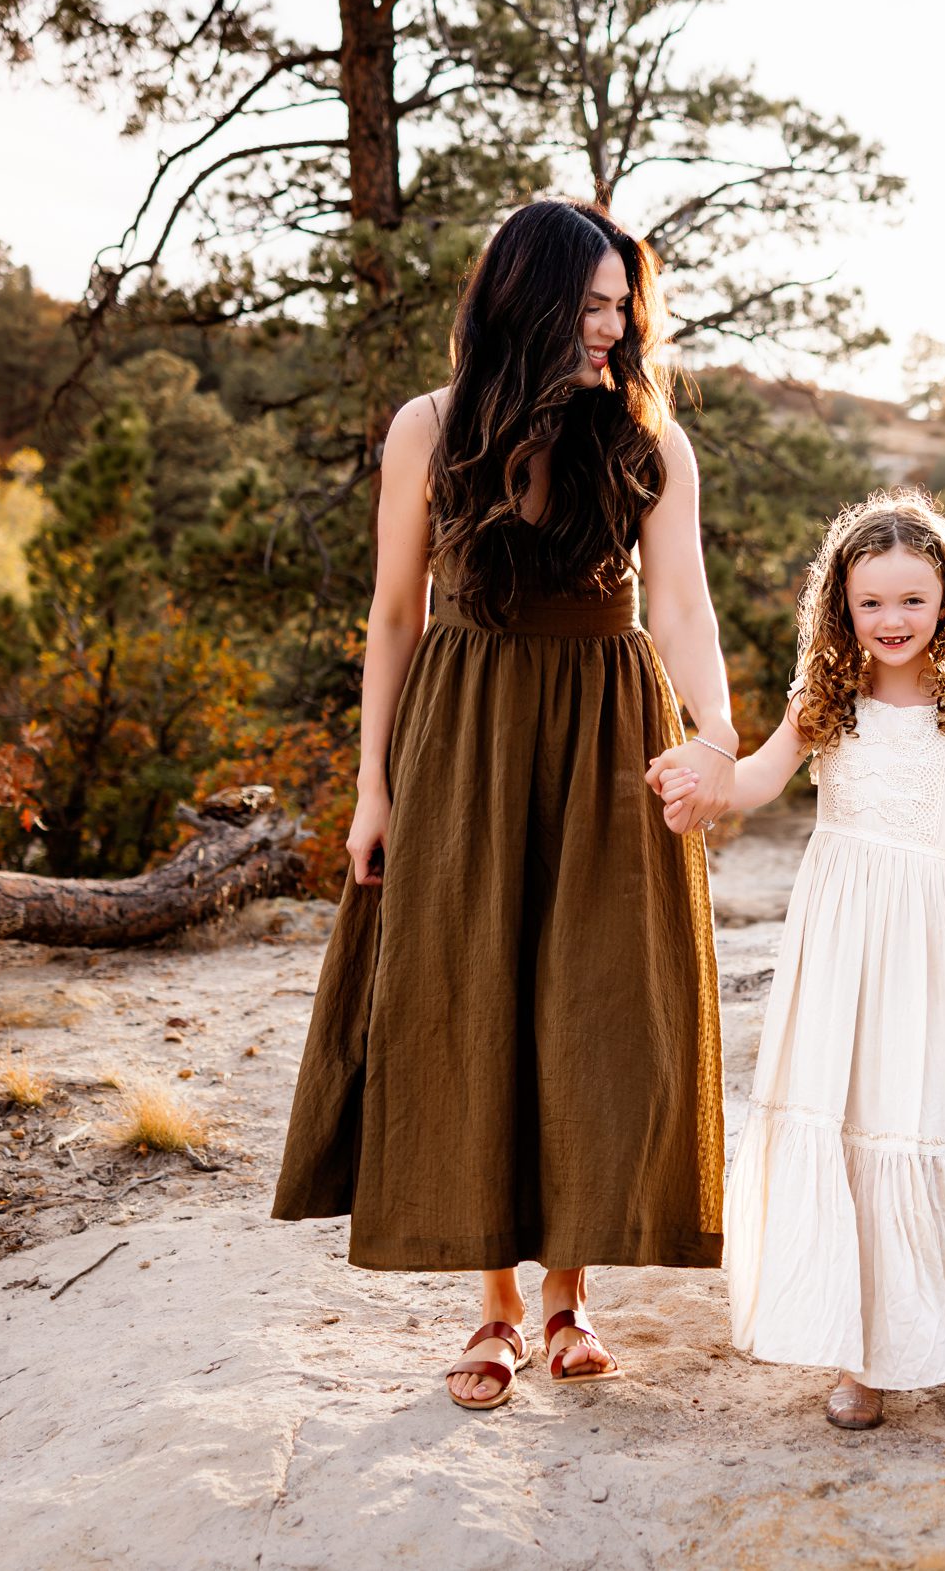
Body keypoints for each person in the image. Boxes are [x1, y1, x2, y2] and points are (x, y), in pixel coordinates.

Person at [271, 198, 739, 1411]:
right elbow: (392, 617)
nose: (610, 328)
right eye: (589, 306)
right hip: (465, 729)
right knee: (472, 993)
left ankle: (573, 1298)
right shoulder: (428, 430)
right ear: (527, 300)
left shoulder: (647, 440)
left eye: (621, 307)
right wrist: (372, 787)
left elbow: (680, 609)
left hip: (607, 729)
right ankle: (492, 1308)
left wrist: (721, 738)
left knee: (590, 999)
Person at [651, 489, 945, 1430]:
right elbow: (761, 780)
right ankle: (861, 1351)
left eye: (912, 601)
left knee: (915, 1115)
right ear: (842, 608)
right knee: (847, 1117)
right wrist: (704, 783)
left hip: (927, 940)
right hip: (839, 935)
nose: (892, 621)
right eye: (871, 603)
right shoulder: (826, 702)